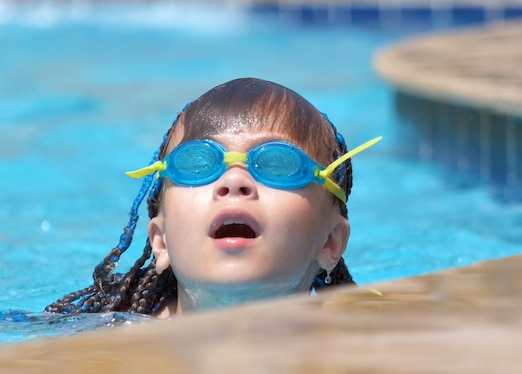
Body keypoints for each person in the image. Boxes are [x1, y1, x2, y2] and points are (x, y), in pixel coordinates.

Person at [45, 78, 381, 318]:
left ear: (331, 243)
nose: (234, 181)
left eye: (278, 164)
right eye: (197, 163)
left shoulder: (363, 353)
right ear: (160, 241)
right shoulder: (97, 343)